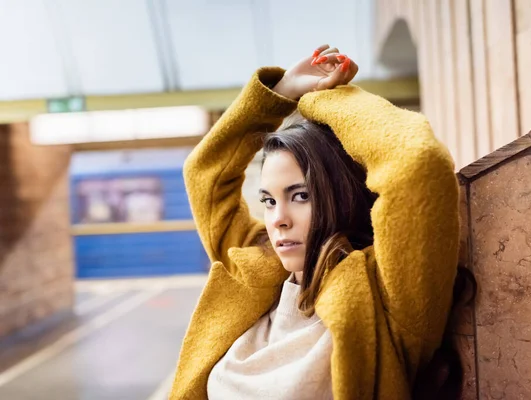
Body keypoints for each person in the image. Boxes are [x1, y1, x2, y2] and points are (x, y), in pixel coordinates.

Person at [170, 44, 469, 399]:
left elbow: (418, 165)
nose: (278, 220)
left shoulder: (386, 294)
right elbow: (205, 175)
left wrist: (323, 98)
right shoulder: (257, 271)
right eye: (268, 200)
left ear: (340, 196)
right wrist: (282, 95)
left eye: (301, 196)